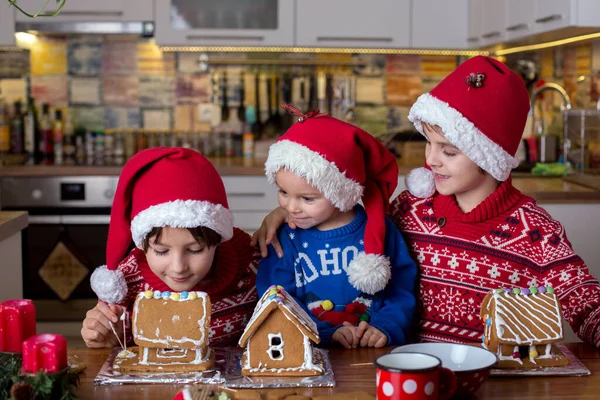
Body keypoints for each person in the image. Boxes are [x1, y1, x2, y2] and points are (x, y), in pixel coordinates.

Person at [253, 56, 600, 347]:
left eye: (448, 151)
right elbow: (342, 211)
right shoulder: (410, 209)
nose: (431, 160)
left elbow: (584, 300)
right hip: (412, 374)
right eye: (428, 144)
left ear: (490, 156)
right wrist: (287, 210)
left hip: (494, 380)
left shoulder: (534, 230)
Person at [256, 106, 417, 349]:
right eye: (283, 192)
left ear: (341, 192)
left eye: (307, 199)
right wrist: (323, 331)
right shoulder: (285, 238)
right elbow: (276, 299)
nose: (291, 206)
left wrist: (385, 327)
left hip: (373, 355)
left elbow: (402, 290)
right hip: (311, 354)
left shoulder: (382, 231)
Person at [81, 147, 259, 348]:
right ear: (143, 245)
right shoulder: (126, 285)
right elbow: (116, 344)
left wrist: (282, 215)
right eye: (161, 251)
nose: (178, 267)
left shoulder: (252, 264)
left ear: (218, 239)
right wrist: (106, 338)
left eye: (195, 250)